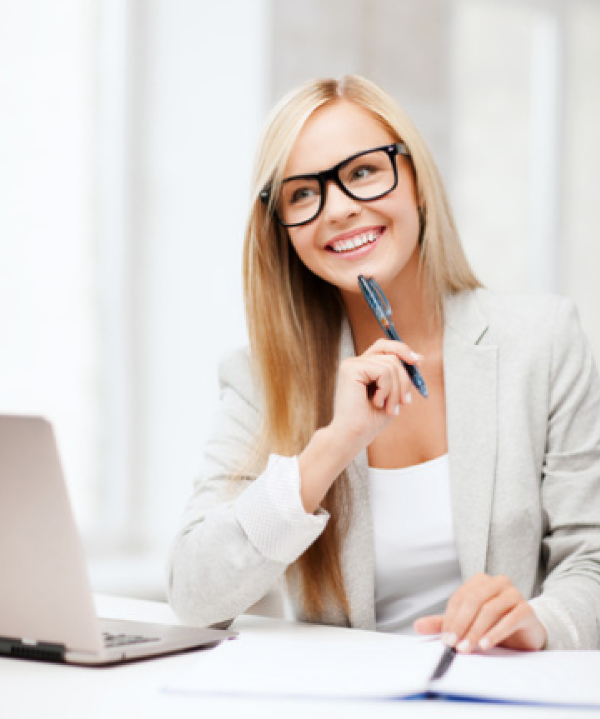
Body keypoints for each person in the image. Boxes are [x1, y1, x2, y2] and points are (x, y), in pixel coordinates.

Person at [168, 75, 600, 652]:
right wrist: (330, 447)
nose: (341, 210)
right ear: (283, 233)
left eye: (364, 172)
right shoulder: (258, 379)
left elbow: (592, 562)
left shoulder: (542, 342)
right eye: (302, 193)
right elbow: (194, 598)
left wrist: (540, 624)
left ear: (416, 179)